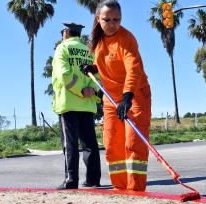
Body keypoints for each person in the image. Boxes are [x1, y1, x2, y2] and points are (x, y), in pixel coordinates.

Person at [80, 0, 151, 192]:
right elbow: (104, 62)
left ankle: (135, 190)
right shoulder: (98, 39)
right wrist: (93, 68)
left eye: (116, 19)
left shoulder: (127, 39)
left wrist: (127, 97)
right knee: (112, 144)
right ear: (98, 19)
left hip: (134, 96)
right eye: (107, 19)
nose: (112, 24)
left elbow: (133, 70)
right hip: (111, 99)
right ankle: (120, 189)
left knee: (133, 143)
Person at [52, 22, 101, 190]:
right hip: (87, 105)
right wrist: (91, 89)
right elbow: (98, 73)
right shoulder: (89, 51)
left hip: (69, 103)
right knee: (90, 144)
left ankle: (71, 180)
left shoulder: (62, 49)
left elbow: (64, 75)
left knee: (70, 144)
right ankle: (93, 179)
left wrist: (79, 90)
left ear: (66, 33)